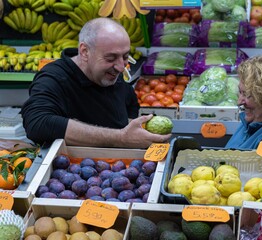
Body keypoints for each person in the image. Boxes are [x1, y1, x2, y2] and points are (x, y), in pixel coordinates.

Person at [21, 18, 171, 148]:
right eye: (111, 58)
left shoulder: (111, 72)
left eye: (125, 56)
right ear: (85, 52)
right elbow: (37, 123)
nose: (120, 67)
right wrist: (122, 138)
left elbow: (129, 101)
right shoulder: (55, 77)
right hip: (73, 173)